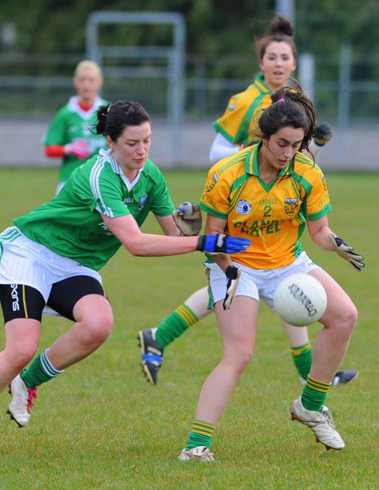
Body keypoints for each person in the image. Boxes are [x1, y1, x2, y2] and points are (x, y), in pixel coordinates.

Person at [0, 100, 250, 457]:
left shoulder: (152, 177)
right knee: (21, 348)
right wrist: (201, 242)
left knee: (99, 324)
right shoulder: (100, 176)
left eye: (147, 140)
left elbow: (175, 237)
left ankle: (28, 382)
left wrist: (195, 235)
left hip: (75, 264)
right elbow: (136, 243)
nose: (142, 149)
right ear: (110, 142)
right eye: (132, 143)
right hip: (30, 253)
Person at [137, 14, 357, 388]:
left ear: (293, 62)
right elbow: (217, 153)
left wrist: (315, 145)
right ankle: (311, 375)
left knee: (286, 291)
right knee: (242, 284)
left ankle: (312, 375)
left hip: (274, 209)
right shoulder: (247, 100)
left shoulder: (295, 100)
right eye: (272, 57)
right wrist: (253, 157)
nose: (279, 64)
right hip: (241, 205)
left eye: (285, 58)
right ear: (261, 62)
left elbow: (298, 162)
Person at [178, 83, 364, 461]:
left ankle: (310, 405)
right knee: (240, 354)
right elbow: (212, 237)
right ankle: (197, 446)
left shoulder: (306, 171)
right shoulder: (227, 172)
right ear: (263, 137)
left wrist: (338, 244)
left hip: (287, 264)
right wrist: (228, 271)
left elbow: (319, 232)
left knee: (345, 316)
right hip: (236, 265)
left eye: (296, 145)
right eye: (281, 143)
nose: (288, 153)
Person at [44, 60, 108, 195]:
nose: (86, 84)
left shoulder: (109, 112)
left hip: (103, 180)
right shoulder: (65, 114)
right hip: (70, 180)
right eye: (82, 80)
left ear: (99, 83)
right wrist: (69, 148)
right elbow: (49, 149)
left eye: (91, 80)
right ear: (75, 82)